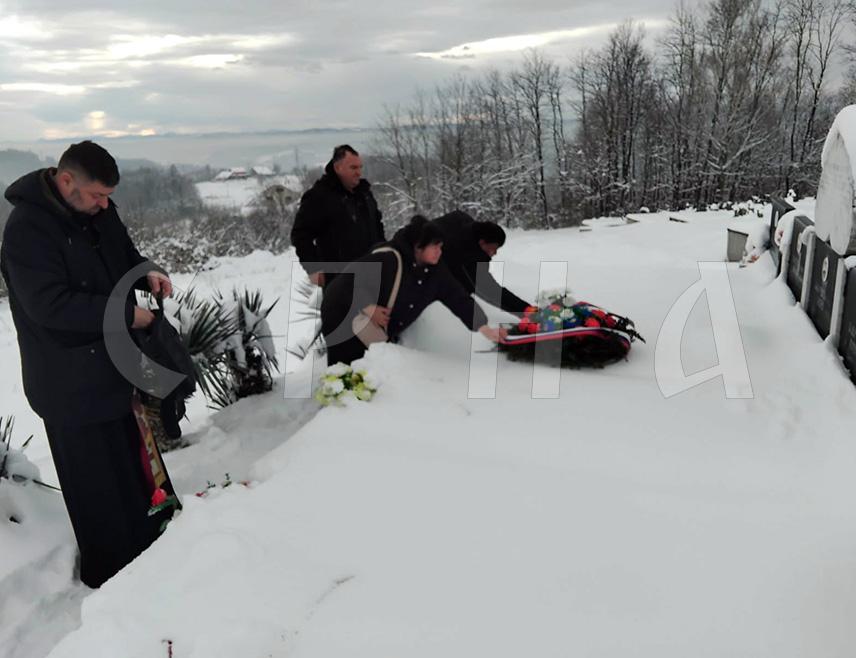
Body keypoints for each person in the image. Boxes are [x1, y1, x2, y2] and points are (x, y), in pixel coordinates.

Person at [0, 141, 177, 588]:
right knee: (99, 491)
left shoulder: (99, 212)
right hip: (68, 385)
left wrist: (145, 271)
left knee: (136, 474)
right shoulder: (26, 231)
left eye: (108, 196)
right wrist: (127, 314)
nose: (105, 204)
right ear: (66, 181)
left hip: (115, 369)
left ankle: (160, 559)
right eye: (97, 195)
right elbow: (50, 306)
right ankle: (117, 582)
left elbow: (122, 258)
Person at [320, 215, 506, 365]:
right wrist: (369, 308)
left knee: (370, 371)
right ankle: (337, 405)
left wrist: (483, 327)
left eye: (441, 246)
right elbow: (348, 281)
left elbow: (458, 298)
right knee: (344, 371)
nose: (440, 251)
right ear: (418, 246)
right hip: (343, 313)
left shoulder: (436, 272)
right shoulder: (388, 259)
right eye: (435, 246)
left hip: (373, 329)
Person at [291, 144, 385, 287]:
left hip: (371, 275)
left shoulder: (364, 194)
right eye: (353, 168)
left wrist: (383, 255)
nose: (359, 172)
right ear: (337, 168)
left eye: (360, 167)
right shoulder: (319, 196)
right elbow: (300, 234)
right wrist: (313, 268)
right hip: (339, 280)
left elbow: (378, 226)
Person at [433, 210, 532, 315]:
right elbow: (489, 290)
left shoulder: (472, 231)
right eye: (494, 248)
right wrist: (527, 311)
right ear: (482, 242)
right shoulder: (464, 253)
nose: (494, 253)